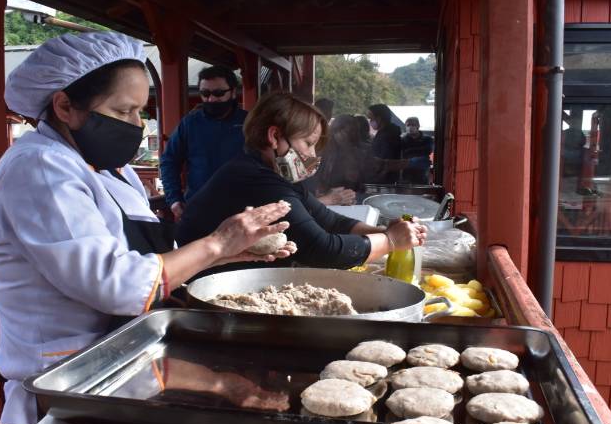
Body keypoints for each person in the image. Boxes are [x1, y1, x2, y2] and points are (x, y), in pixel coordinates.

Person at [0, 32, 294, 424]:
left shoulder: (112, 169)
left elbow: (149, 254)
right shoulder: (40, 167)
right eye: (122, 111)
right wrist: (216, 244)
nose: (136, 125)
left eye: (140, 111)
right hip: (66, 388)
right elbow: (119, 285)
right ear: (65, 106)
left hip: (127, 364)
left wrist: (225, 257)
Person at [177, 92, 427, 274]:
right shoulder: (257, 180)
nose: (312, 155)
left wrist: (386, 232)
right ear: (275, 136)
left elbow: (331, 220)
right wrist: (391, 241)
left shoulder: (270, 173)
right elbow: (323, 250)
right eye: (308, 143)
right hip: (201, 284)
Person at [159, 65, 248, 221]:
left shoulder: (249, 123)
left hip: (243, 208)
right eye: (205, 93)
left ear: (233, 92)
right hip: (198, 209)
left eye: (219, 93)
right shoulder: (189, 124)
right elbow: (169, 161)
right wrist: (174, 199)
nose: (211, 99)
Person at [367, 103, 403, 183]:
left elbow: (385, 161)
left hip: (385, 181)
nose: (370, 121)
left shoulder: (388, 136)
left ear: (379, 118)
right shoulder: (384, 133)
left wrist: (376, 178)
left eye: (371, 118)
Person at [400, 116, 434, 184]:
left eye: (413, 125)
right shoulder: (402, 140)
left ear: (418, 126)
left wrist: (409, 151)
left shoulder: (427, 139)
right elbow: (402, 154)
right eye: (408, 125)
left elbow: (427, 150)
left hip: (423, 174)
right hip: (407, 173)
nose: (410, 127)